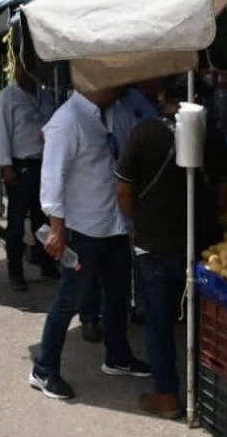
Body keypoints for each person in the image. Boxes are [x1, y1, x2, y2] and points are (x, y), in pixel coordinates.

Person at [116, 78, 227, 419]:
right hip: (201, 244)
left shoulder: (142, 133)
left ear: (164, 96)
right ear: (197, 97)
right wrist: (209, 217)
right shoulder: (211, 134)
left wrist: (140, 219)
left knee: (159, 320)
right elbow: (225, 188)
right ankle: (210, 394)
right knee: (205, 319)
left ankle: (167, 394)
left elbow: (123, 189)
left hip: (153, 244)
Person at [30, 87, 150, 401]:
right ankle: (43, 369)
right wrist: (58, 230)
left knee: (118, 293)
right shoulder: (68, 120)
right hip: (83, 229)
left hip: (113, 225)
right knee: (70, 300)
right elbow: (52, 179)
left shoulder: (111, 113)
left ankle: (118, 356)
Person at [78, 85, 158, 341]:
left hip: (126, 194)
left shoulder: (134, 102)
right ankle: (90, 318)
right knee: (88, 268)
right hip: (92, 206)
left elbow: (149, 128)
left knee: (118, 271)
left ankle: (122, 326)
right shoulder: (80, 113)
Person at [0, 58, 59, 290]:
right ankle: (15, 272)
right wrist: (6, 165)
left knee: (44, 219)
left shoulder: (47, 94)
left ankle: (48, 265)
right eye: (18, 67)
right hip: (20, 166)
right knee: (17, 222)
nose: (22, 72)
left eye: (26, 67)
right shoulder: (7, 97)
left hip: (45, 164)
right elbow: (0, 134)